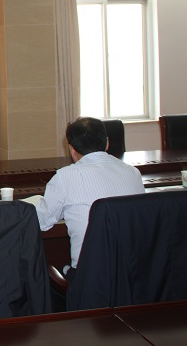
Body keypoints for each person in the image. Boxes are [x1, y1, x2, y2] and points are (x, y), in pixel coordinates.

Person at [35, 117, 145, 277]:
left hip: (90, 281)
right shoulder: (133, 172)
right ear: (107, 143)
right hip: (133, 275)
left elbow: (40, 221)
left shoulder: (65, 177)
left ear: (71, 150)